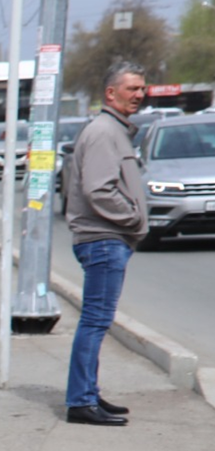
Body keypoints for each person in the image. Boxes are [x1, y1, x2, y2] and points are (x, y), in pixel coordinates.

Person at [62, 59, 149, 426]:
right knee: (95, 321)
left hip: (108, 239)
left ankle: (88, 394)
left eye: (142, 89)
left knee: (96, 321)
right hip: (103, 239)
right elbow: (99, 189)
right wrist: (133, 217)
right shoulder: (103, 132)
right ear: (110, 93)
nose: (139, 95)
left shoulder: (112, 130)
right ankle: (81, 402)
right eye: (132, 89)